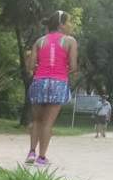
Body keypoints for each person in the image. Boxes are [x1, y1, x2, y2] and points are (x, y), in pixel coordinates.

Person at [24, 10, 78, 166]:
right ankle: (42, 158)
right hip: (58, 83)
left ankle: (31, 152)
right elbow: (73, 67)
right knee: (48, 123)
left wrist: (41, 68)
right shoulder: (70, 41)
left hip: (39, 82)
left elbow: (31, 66)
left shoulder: (39, 41)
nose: (70, 25)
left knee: (36, 120)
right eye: (68, 22)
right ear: (61, 24)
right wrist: (61, 70)